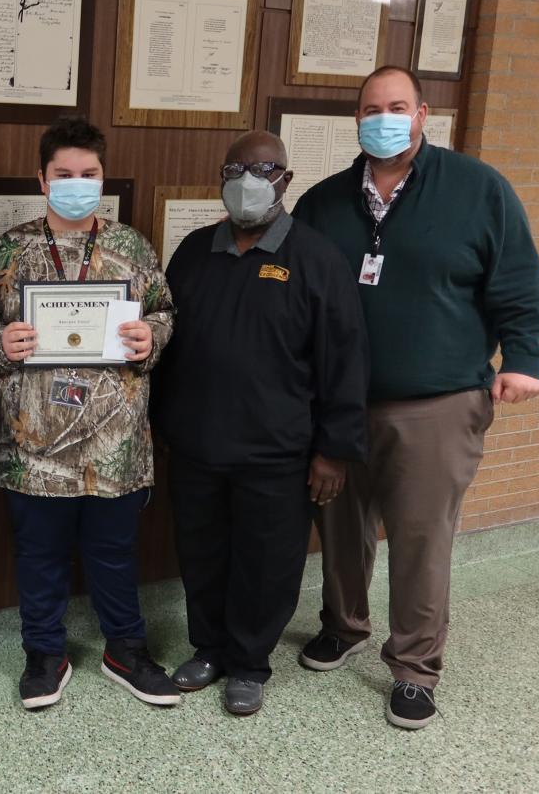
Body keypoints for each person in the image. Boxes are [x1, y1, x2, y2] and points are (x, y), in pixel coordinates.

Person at [292, 66, 539, 729]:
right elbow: (296, 304)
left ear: (422, 114)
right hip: (342, 405)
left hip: (436, 406)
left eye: (397, 106)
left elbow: (520, 283)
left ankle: (413, 666)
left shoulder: (477, 189)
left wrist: (524, 358)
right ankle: (345, 626)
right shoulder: (322, 204)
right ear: (356, 120)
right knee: (341, 530)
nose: (384, 117)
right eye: (371, 108)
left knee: (420, 541)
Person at [154, 131, 369, 716]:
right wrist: (161, 425)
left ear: (285, 181)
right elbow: (167, 346)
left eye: (263, 168)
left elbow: (345, 362)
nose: (247, 181)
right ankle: (210, 649)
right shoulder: (195, 251)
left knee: (266, 560)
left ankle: (249, 663)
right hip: (197, 443)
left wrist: (334, 451)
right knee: (201, 552)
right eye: (235, 169)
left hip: (278, 452)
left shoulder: (317, 259)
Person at [0, 115, 179, 711]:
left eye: (88, 174)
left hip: (115, 443)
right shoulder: (10, 250)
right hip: (34, 445)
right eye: (63, 174)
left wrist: (152, 336)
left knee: (115, 553)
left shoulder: (130, 246)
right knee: (38, 555)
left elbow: (166, 311)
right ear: (42, 179)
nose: (76, 183)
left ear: (102, 178)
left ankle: (127, 648)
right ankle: (44, 653)